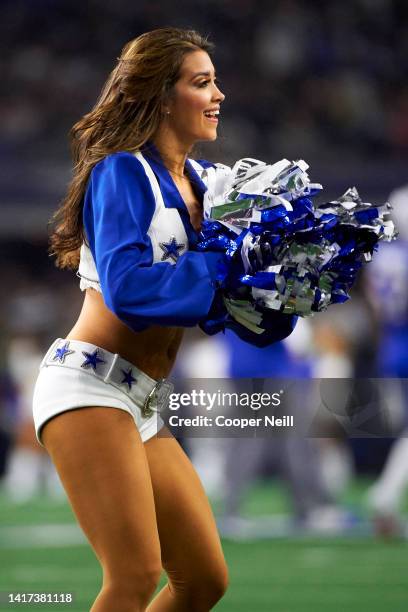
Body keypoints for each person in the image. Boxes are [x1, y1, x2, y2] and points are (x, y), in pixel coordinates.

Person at [32, 28, 296, 611]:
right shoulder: (122, 172)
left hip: (143, 400)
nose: (219, 94)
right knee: (133, 575)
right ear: (160, 96)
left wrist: (279, 292)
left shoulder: (205, 186)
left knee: (203, 579)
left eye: (216, 81)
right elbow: (129, 290)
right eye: (202, 83)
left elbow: (225, 307)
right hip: (89, 386)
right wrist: (221, 270)